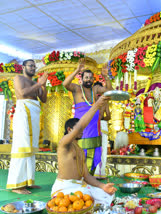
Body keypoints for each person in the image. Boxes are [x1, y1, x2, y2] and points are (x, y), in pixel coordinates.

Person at [51, 95, 117, 205]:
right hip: (64, 187)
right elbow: (81, 125)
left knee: (108, 194)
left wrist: (103, 186)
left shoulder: (80, 150)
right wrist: (96, 105)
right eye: (79, 129)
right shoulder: (64, 143)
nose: (82, 131)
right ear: (69, 129)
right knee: (84, 201)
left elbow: (86, 176)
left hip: (79, 185)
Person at [63, 58, 113, 175]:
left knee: (94, 153)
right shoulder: (76, 88)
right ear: (82, 79)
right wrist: (76, 70)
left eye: (91, 78)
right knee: (79, 152)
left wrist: (106, 77)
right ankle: (79, 177)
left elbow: (110, 91)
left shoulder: (95, 89)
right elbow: (65, 84)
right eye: (86, 77)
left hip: (94, 128)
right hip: (81, 128)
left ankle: (90, 179)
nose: (89, 80)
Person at [6, 59, 48, 194]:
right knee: (22, 147)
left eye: (34, 66)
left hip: (34, 113)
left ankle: (28, 181)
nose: (33, 68)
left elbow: (44, 99)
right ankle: (16, 185)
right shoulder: (18, 78)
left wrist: (44, 85)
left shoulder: (36, 83)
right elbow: (23, 93)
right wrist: (39, 84)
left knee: (30, 148)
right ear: (23, 67)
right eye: (31, 66)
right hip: (24, 113)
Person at [93, 82, 111, 179]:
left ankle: (94, 173)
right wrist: (103, 117)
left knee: (95, 149)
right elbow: (108, 116)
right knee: (102, 150)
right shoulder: (105, 102)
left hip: (95, 125)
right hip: (101, 125)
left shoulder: (91, 100)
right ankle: (101, 173)